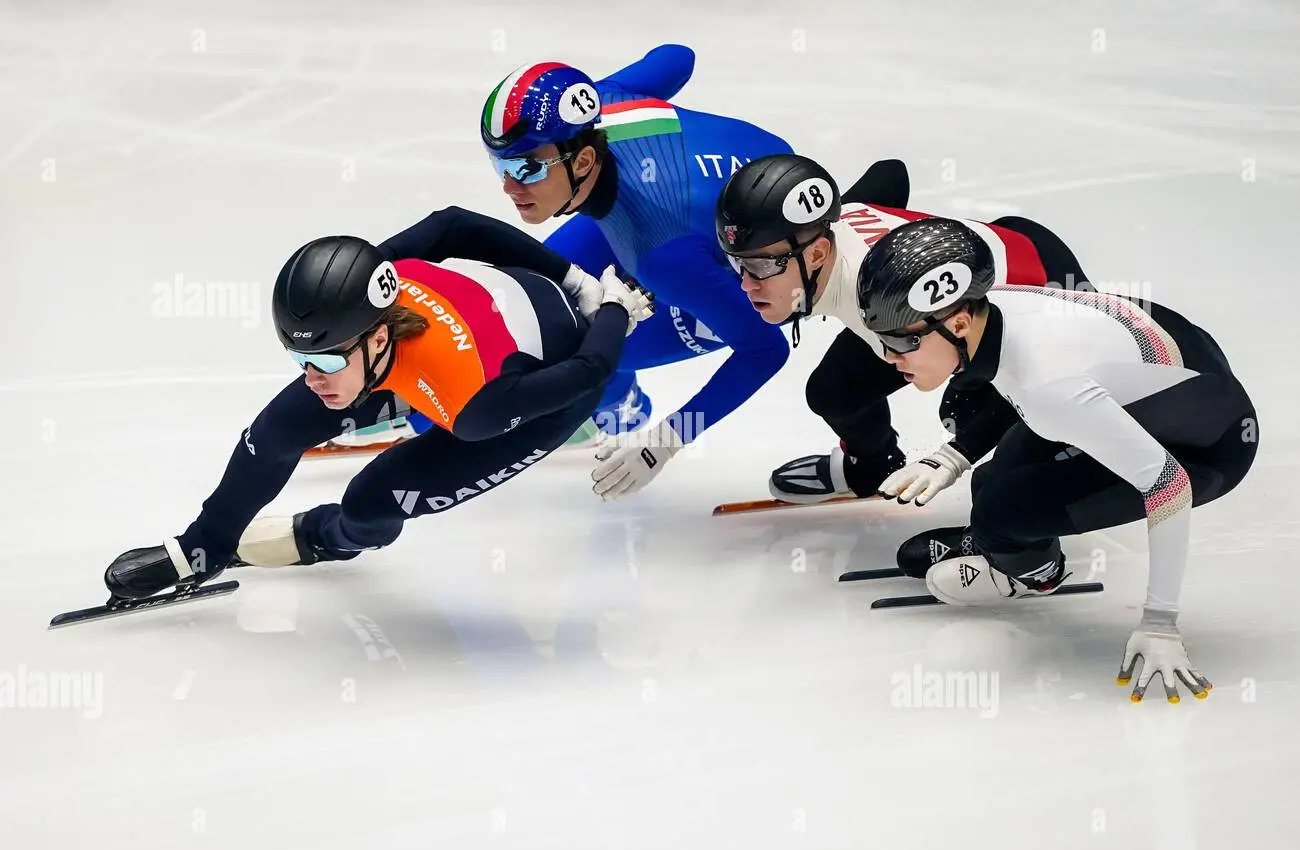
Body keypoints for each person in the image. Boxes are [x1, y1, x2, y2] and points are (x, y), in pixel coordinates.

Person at [101, 208, 652, 601]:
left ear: (379, 338)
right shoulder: (375, 278)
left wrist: (610, 307)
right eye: (302, 360)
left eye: (328, 363)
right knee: (275, 430)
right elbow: (454, 224)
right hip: (470, 345)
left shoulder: (473, 403)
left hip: (540, 388)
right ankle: (206, 546)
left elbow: (592, 370)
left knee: (370, 502)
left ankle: (324, 538)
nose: (314, 377)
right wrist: (567, 272)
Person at [855, 217, 1258, 703]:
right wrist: (950, 458)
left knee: (1003, 507)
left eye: (901, 341)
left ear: (958, 322)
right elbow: (1017, 375)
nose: (887, 356)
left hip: (1208, 449)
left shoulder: (1053, 384)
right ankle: (1002, 543)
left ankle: (1033, 574)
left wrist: (1160, 622)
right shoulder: (998, 312)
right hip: (1174, 381)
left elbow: (1168, 485)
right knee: (992, 479)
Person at [474, 46, 807, 500]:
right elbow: (679, 57)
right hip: (729, 195)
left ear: (585, 161)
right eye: (501, 166)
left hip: (745, 263)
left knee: (585, 346)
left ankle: (622, 410)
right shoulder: (603, 101)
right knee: (532, 284)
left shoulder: (660, 254)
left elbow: (764, 352)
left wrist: (664, 443)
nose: (509, 187)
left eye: (526, 167)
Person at [714, 152, 1091, 506]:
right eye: (738, 265)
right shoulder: (832, 225)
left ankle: (1030, 530)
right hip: (962, 272)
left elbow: (1026, 377)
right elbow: (890, 173)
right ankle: (873, 465)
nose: (746, 284)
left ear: (816, 254)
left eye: (762, 267)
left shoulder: (885, 294)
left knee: (964, 413)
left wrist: (953, 456)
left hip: (1041, 287)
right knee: (833, 393)